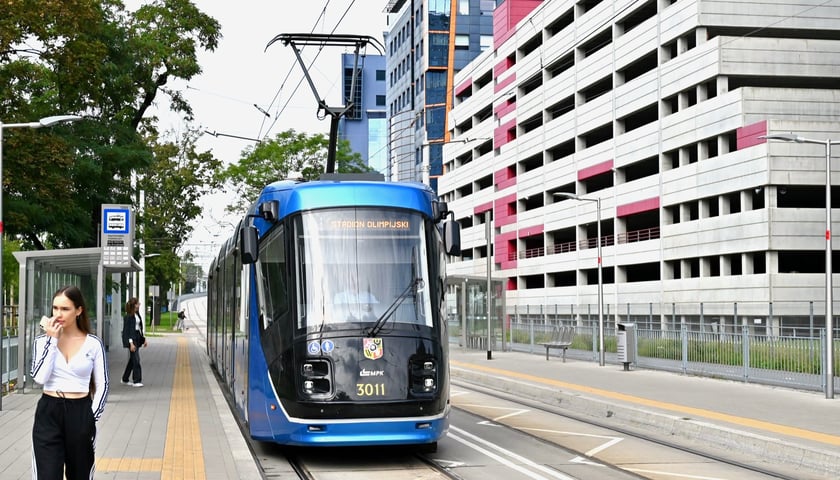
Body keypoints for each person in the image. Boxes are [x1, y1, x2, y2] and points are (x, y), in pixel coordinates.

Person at [30, 285, 109, 480]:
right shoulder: (42, 342)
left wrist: (91, 417)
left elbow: (103, 385)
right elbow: (39, 377)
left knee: (80, 474)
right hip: (49, 411)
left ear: (78, 310)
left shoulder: (93, 343)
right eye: (55, 308)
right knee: (46, 475)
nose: (58, 314)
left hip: (80, 410)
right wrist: (51, 340)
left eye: (65, 309)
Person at [120, 297, 147, 387]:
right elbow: (128, 331)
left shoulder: (137, 314)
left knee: (132, 360)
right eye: (138, 303)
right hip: (132, 339)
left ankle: (125, 378)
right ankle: (137, 380)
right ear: (134, 305)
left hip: (137, 337)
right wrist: (131, 343)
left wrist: (144, 339)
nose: (139, 304)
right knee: (136, 359)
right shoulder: (128, 317)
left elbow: (139, 328)